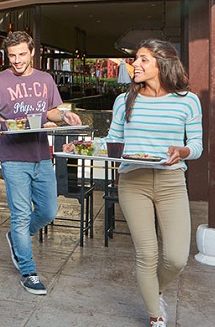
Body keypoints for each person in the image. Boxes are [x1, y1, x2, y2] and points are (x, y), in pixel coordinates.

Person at [65, 39, 202, 327]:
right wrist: (80, 146)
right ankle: (156, 316)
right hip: (133, 181)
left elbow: (197, 145)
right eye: (135, 59)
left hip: (171, 181)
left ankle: (155, 290)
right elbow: (113, 141)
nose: (135, 65)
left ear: (162, 64)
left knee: (177, 258)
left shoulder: (188, 100)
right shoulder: (124, 100)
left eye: (143, 59)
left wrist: (182, 151)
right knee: (147, 254)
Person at [0, 30, 82, 295]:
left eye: (22, 54)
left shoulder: (45, 79)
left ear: (32, 52)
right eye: (12, 55)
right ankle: (28, 271)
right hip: (13, 157)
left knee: (48, 212)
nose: (17, 60)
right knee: (21, 215)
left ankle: (17, 237)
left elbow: (51, 112)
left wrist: (65, 116)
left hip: (41, 155)